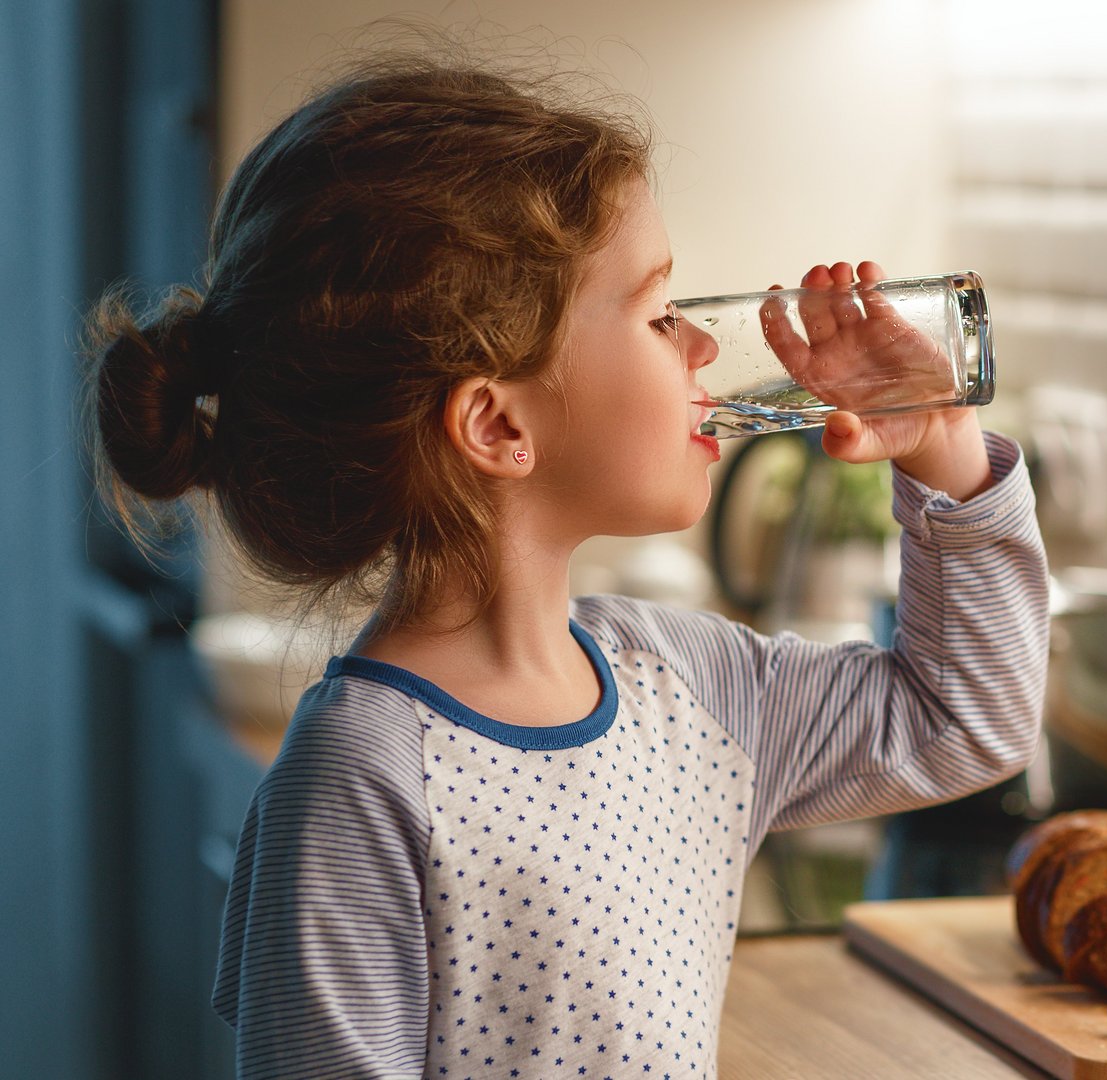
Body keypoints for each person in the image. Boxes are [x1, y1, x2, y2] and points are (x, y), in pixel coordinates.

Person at [84, 52, 1048, 1079]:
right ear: (499, 425)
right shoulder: (359, 786)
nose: (702, 347)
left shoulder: (689, 684)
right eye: (657, 314)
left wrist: (942, 451)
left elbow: (965, 718)